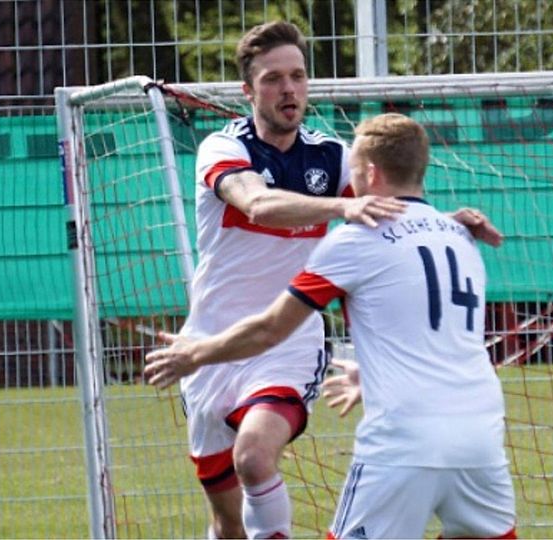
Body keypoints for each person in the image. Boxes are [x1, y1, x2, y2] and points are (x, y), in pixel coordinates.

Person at [175, 20, 504, 539]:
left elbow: (391, 204)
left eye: (298, 76)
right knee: (225, 520)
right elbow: (256, 204)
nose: (288, 89)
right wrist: (339, 207)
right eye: (272, 79)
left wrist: (442, 224)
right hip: (214, 339)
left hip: (285, 340)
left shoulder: (329, 154)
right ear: (247, 90)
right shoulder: (223, 149)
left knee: (255, 458)